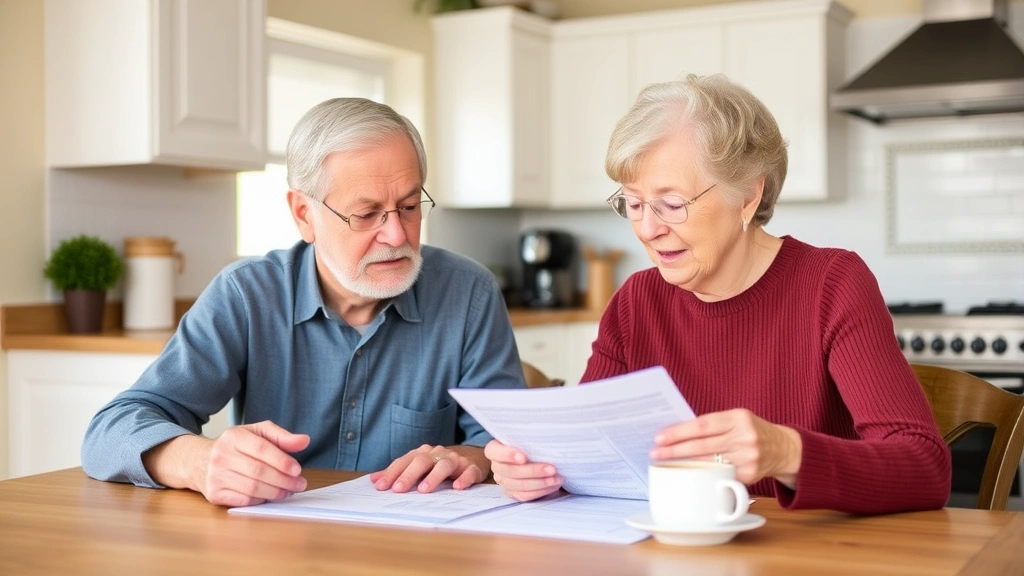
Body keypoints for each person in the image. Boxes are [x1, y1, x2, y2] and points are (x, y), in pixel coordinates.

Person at [485, 74, 951, 514]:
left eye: (671, 204)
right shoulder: (636, 301)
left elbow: (925, 469)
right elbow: (587, 458)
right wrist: (540, 473)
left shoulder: (832, 284)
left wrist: (786, 453)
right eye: (633, 203)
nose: (647, 229)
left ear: (747, 197)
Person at [82, 98, 526, 507]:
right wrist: (200, 462)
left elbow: (505, 443)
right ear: (303, 214)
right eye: (367, 214)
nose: (397, 235)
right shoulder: (247, 295)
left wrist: (472, 457)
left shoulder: (469, 292)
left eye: (409, 206)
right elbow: (111, 430)